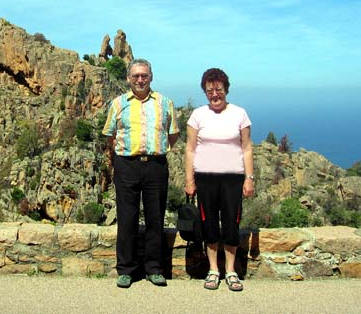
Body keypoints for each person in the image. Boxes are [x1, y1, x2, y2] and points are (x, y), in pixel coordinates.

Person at [102, 58, 179, 288]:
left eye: (144, 75)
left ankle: (154, 269)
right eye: (135, 75)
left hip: (156, 165)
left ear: (151, 77)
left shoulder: (165, 103)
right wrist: (125, 155)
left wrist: (156, 151)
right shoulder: (117, 104)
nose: (140, 79)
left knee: (156, 218)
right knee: (127, 218)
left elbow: (172, 135)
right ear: (128, 78)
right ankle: (126, 269)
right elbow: (110, 136)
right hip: (127, 165)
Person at [184, 67, 254, 292]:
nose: (214, 95)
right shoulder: (197, 115)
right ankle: (213, 270)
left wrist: (249, 178)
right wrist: (189, 180)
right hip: (205, 178)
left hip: (233, 178)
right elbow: (190, 149)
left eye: (218, 90)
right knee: (209, 224)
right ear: (205, 92)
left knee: (232, 224)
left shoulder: (239, 114)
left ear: (226, 90)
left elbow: (247, 148)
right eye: (209, 91)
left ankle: (231, 271)